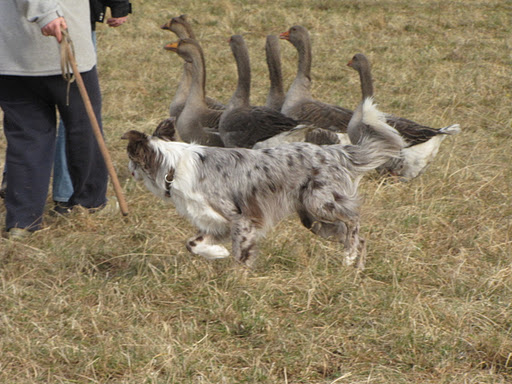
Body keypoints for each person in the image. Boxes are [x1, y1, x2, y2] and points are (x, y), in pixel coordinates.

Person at [0, 0, 109, 238]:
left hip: (17, 51)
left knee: (33, 135)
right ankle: (86, 204)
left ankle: (25, 219)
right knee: (77, 128)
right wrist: (46, 12)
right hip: (46, 48)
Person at [53, 0, 132, 213]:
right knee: (76, 110)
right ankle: (73, 194)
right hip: (72, 23)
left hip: (18, 29)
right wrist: (120, 5)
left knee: (29, 124)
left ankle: (22, 198)